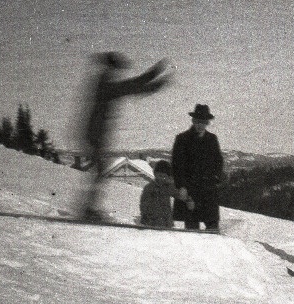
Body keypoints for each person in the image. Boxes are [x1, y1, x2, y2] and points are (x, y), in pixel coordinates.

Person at [79, 52, 174, 221]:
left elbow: (132, 85)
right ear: (111, 68)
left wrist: (155, 75)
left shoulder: (104, 81)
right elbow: (132, 86)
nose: (118, 73)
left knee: (99, 170)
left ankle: (88, 208)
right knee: (100, 170)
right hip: (95, 134)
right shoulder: (106, 84)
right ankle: (88, 209)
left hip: (95, 133)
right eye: (116, 69)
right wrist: (156, 80)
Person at [171, 104, 224, 230]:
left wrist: (216, 177)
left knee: (212, 227)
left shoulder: (212, 139)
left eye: (204, 122)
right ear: (193, 121)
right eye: (198, 122)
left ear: (207, 123)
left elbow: (218, 160)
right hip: (190, 190)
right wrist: (182, 186)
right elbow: (177, 164)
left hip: (208, 190)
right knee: (192, 229)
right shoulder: (182, 139)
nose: (201, 125)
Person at [139, 160, 193, 228]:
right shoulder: (149, 187)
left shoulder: (168, 187)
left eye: (164, 177)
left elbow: (178, 194)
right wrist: (145, 215)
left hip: (166, 221)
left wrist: (188, 199)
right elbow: (144, 202)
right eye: (160, 175)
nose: (161, 178)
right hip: (151, 221)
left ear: (168, 177)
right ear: (155, 174)